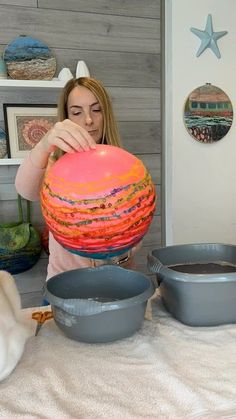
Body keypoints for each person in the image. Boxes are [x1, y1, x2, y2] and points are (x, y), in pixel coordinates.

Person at [15, 77, 140, 281]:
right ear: (66, 117)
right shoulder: (54, 165)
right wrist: (45, 144)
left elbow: (136, 226)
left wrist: (123, 255)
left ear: (106, 114)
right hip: (65, 284)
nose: (88, 120)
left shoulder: (125, 167)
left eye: (96, 110)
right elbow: (25, 190)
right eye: (77, 112)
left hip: (119, 282)